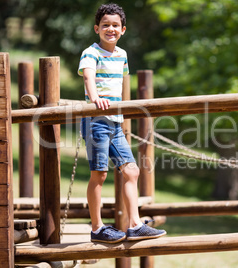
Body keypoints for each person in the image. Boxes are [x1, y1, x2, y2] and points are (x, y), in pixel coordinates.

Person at [78, 3, 166, 243]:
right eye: (105, 25)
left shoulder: (122, 55)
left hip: (115, 122)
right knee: (99, 174)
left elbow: (120, 83)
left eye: (115, 25)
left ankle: (135, 224)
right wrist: (94, 97)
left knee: (132, 171)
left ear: (123, 29)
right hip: (96, 120)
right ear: (97, 28)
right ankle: (96, 227)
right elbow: (88, 75)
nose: (110, 29)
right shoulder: (91, 52)